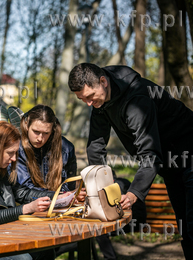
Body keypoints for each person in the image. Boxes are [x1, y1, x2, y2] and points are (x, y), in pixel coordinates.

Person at [68, 63, 193, 259]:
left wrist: (134, 192)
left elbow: (150, 153)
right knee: (185, 229)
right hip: (171, 167)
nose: (88, 104)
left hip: (190, 154)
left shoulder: (137, 100)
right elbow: (95, 146)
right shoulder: (101, 101)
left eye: (90, 97)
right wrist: (100, 189)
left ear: (103, 82)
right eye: (82, 99)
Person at [0, 121, 70, 260]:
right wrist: (26, 208)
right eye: (10, 153)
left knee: (45, 250)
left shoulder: (0, 169)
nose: (14, 158)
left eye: (16, 153)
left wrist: (58, 197)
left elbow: (22, 193)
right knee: (23, 259)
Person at [16, 105, 77, 193]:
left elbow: (69, 186)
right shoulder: (17, 148)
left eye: (46, 133)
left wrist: (71, 195)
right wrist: (56, 197)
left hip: (60, 204)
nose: (40, 138)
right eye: (36, 132)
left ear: (52, 130)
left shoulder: (66, 148)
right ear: (26, 125)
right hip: (29, 204)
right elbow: (24, 190)